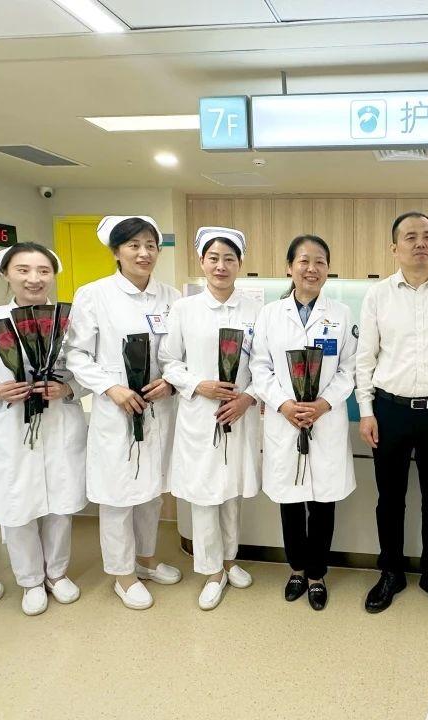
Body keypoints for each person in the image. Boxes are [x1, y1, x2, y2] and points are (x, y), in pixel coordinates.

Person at [356, 211, 428, 617]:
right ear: (395, 248)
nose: (420, 243)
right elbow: (365, 358)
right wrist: (367, 411)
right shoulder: (378, 295)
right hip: (389, 411)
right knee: (389, 499)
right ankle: (391, 572)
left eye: (427, 236)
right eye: (410, 237)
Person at [64, 216, 183, 611]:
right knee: (118, 494)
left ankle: (146, 560)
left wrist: (169, 382)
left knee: (150, 492)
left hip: (157, 406)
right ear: (116, 251)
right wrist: (110, 387)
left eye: (150, 245)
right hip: (116, 409)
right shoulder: (94, 295)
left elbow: (178, 353)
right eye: (134, 245)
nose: (143, 253)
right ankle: (122, 575)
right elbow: (77, 354)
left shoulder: (171, 297)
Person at [0, 243, 86, 616]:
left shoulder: (70, 319)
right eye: (23, 270)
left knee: (60, 504)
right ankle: (30, 581)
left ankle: (57, 574)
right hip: (11, 424)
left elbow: (89, 368)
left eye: (43, 271)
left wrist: (69, 388)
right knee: (17, 505)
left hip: (58, 420)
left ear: (53, 275)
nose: (34, 278)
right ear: (6, 274)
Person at [249, 235, 357, 611]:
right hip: (285, 419)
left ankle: (316, 575)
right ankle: (296, 570)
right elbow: (259, 367)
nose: (312, 269)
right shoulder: (269, 315)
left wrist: (323, 404)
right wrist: (283, 405)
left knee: (323, 502)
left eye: (320, 261)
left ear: (328, 269)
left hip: (325, 418)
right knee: (291, 503)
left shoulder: (341, 314)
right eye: (304, 261)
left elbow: (349, 369)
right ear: (290, 268)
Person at [160, 226, 262, 611]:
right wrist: (198, 385)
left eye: (229, 259)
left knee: (231, 492)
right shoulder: (184, 309)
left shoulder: (256, 311)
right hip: (200, 416)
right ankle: (211, 571)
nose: (221, 266)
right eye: (214, 258)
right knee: (204, 495)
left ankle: (230, 560)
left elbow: (264, 365)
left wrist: (248, 398)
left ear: (240, 264)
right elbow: (169, 361)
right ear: (202, 262)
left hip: (239, 413)